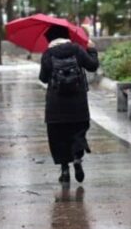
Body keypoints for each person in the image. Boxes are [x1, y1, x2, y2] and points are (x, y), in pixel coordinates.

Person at [39, 26, 99, 183]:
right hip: (78, 103)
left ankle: (65, 170)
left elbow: (43, 78)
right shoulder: (77, 49)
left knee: (58, 137)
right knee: (78, 132)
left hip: (55, 105)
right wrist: (92, 50)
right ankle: (77, 159)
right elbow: (92, 66)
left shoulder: (48, 54)